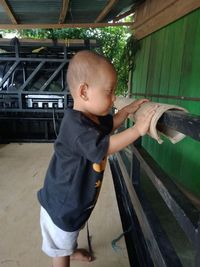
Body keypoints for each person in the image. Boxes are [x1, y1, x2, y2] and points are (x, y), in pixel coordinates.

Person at [37, 50, 157, 267]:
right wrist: (138, 129)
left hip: (75, 201)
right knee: (60, 247)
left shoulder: (93, 117)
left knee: (68, 237)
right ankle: (65, 255)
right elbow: (106, 146)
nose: (113, 99)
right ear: (84, 91)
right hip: (62, 206)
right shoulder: (75, 127)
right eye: (109, 92)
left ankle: (69, 250)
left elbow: (111, 124)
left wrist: (127, 111)